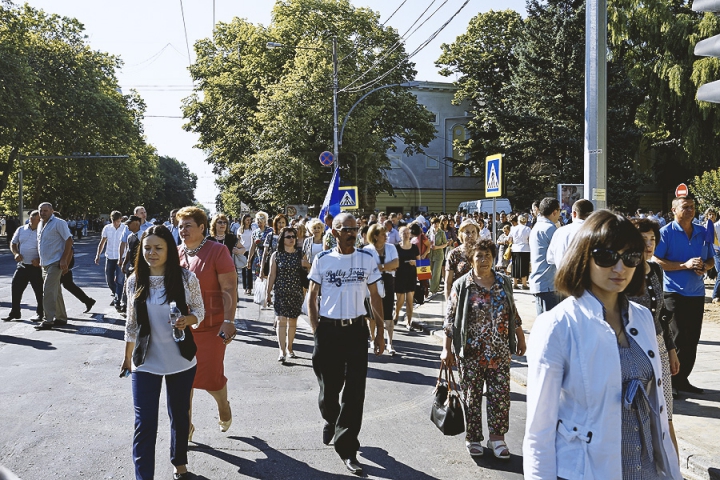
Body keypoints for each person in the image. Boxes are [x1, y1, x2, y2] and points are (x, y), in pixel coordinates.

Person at [523, 210, 682, 480]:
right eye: (607, 256)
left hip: (644, 470)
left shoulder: (642, 318)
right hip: (586, 471)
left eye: (631, 257)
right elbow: (539, 431)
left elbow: (658, 412)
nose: (620, 268)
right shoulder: (557, 326)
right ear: (584, 257)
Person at [122, 225, 204, 480]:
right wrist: (127, 358)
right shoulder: (134, 280)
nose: (152, 253)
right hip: (145, 362)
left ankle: (180, 466)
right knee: (144, 423)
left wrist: (187, 320)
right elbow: (131, 323)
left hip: (181, 360)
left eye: (158, 248)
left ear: (169, 249)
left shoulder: (186, 278)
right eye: (147, 248)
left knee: (179, 415)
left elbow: (199, 313)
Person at [307, 212, 385, 475]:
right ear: (334, 232)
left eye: (355, 228)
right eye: (346, 229)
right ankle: (332, 418)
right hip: (328, 330)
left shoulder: (367, 258)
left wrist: (380, 332)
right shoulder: (323, 259)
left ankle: (347, 448)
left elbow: (374, 296)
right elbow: (312, 297)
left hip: (356, 331)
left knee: (354, 391)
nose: (352, 233)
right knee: (329, 388)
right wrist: (317, 328)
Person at [442, 238, 526, 458]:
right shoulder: (462, 285)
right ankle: (473, 437)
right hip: (470, 353)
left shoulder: (504, 282)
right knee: (472, 395)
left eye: (488, 255)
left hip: (499, 351)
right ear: (471, 259)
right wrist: (446, 349)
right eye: (479, 255)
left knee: (500, 396)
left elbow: (512, 312)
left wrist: (520, 337)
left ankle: (497, 439)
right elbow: (450, 319)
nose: (484, 259)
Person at [176, 206, 237, 437]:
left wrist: (229, 320)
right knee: (183, 382)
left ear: (202, 227)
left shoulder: (218, 251)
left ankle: (224, 406)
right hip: (182, 327)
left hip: (212, 327)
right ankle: (186, 427)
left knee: (211, 379)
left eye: (188, 225)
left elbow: (229, 287)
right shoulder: (175, 252)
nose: (183, 230)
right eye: (180, 225)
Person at [628, 217, 681, 457]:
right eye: (643, 240)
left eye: (653, 240)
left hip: (658, 347)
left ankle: (673, 472)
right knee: (637, 417)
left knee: (665, 415)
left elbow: (660, 316)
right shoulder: (624, 272)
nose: (649, 245)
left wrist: (670, 349)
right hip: (632, 350)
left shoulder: (656, 269)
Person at [653, 196, 713, 395]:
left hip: (696, 292)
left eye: (693, 207)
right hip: (673, 292)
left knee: (692, 338)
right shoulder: (665, 232)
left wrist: (705, 267)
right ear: (673, 210)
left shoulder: (702, 231)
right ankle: (670, 382)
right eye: (685, 207)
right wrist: (684, 265)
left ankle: (682, 379)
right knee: (676, 337)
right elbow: (656, 259)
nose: (690, 210)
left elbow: (711, 259)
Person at [265, 227, 309, 361]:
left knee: (293, 321)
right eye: (288, 237)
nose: (291, 239)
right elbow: (272, 275)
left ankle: (290, 347)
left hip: (296, 292)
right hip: (280, 291)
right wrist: (268, 293)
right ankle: (282, 350)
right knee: (280, 320)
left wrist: (306, 264)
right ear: (282, 240)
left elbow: (309, 270)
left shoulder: (300, 254)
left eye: (293, 237)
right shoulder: (276, 255)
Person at [35, 202, 74, 330]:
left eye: (45, 210)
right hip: (45, 263)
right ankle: (61, 318)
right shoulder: (40, 224)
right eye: (41, 210)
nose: (43, 213)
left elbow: (69, 240)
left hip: (56, 262)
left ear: (52, 211)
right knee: (55, 291)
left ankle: (48, 320)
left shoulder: (59, 223)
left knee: (48, 291)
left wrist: (64, 260)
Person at [364, 223, 400, 355]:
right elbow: (367, 267)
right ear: (375, 236)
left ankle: (390, 343)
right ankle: (373, 338)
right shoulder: (367, 249)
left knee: (388, 313)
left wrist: (380, 267)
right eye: (383, 234)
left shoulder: (391, 247)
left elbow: (396, 263)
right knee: (373, 314)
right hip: (372, 282)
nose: (386, 236)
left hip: (389, 281)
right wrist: (387, 267)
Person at [3, 210, 43, 322]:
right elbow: (13, 243)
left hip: (36, 267)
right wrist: (16, 253)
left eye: (35, 218)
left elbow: (48, 248)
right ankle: (15, 312)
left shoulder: (43, 231)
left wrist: (39, 260)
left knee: (39, 291)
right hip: (23, 265)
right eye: (31, 218)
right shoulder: (21, 229)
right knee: (16, 288)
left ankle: (40, 313)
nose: (32, 220)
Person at [528, 197, 561, 314]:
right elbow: (559, 255)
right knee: (551, 327)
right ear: (555, 212)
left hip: (541, 282)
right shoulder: (550, 229)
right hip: (548, 283)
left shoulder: (538, 226)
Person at [547, 199, 594, 270]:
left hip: (562, 277)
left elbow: (550, 258)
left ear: (574, 214)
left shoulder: (560, 232)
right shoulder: (595, 232)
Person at [95, 211, 125, 309]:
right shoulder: (107, 228)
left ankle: (117, 300)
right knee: (109, 280)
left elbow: (127, 243)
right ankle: (116, 294)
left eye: (117, 221)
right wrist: (98, 255)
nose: (115, 223)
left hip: (121, 257)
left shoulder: (125, 228)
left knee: (120, 280)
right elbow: (102, 242)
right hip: (110, 257)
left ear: (120, 219)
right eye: (113, 221)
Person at [444, 219, 480, 301]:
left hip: (479, 300)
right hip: (460, 298)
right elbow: (448, 283)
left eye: (473, 232)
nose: (470, 235)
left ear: (477, 234)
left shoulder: (483, 253)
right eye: (467, 232)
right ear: (461, 234)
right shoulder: (454, 254)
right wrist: (449, 304)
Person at [394, 226, 420, 331]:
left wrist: (415, 263)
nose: (406, 234)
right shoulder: (396, 247)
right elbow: (392, 261)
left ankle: (409, 322)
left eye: (407, 232)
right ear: (399, 235)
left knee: (410, 300)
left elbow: (421, 264)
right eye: (403, 233)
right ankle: (396, 315)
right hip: (399, 276)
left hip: (411, 276)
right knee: (400, 301)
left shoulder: (414, 247)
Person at [247, 211, 273, 281]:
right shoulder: (255, 233)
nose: (259, 224)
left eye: (261, 222)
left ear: (265, 222)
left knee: (268, 275)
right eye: (258, 222)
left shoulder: (270, 231)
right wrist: (249, 260)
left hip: (268, 256)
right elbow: (252, 247)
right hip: (258, 257)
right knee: (259, 277)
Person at [427, 217, 448, 297]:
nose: (435, 225)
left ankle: (433, 290)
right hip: (430, 254)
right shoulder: (429, 232)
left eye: (437, 223)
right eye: (434, 223)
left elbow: (445, 243)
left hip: (439, 254)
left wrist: (437, 247)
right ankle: (432, 287)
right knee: (430, 272)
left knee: (436, 272)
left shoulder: (441, 232)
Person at [509, 214, 531, 289]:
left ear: (518, 221)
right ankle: (524, 284)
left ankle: (515, 283)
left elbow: (510, 239)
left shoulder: (513, 228)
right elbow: (529, 239)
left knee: (515, 265)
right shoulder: (528, 229)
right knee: (524, 266)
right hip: (525, 248)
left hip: (515, 248)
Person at [238, 214, 254, 295]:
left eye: (250, 219)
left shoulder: (253, 229)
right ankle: (245, 287)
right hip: (243, 251)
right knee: (243, 270)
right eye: (247, 219)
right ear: (243, 220)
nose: (249, 221)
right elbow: (238, 241)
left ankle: (250, 288)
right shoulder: (240, 230)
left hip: (251, 250)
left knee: (249, 269)